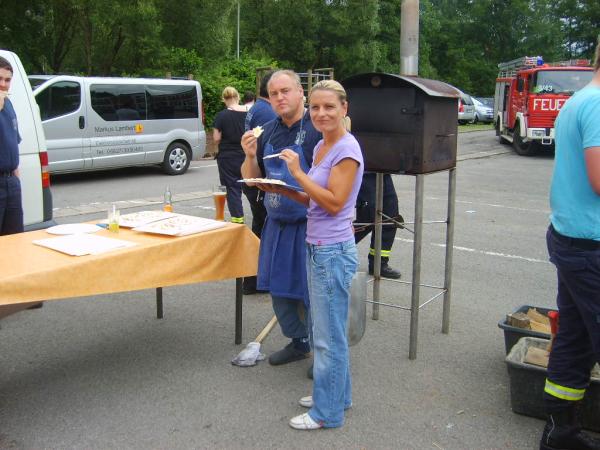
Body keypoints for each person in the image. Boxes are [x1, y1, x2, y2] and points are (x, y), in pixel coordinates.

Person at [270, 80, 363, 430]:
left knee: (327, 337)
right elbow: (314, 198)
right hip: (319, 246)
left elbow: (335, 202)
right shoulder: (324, 145)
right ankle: (338, 395)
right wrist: (282, 188)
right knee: (329, 332)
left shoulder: (347, 149)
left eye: (329, 107)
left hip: (332, 251)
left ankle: (327, 413)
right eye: (315, 107)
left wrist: (296, 172)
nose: (321, 113)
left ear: (344, 109)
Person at [540, 41, 600, 450]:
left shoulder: (580, 100)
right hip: (590, 245)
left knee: (574, 340)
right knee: (576, 339)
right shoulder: (596, 105)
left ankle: (560, 434)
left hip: (574, 240)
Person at [241, 70, 321, 366]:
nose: (279, 97)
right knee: (279, 289)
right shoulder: (267, 131)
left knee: (312, 293)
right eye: (274, 93)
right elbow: (251, 179)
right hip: (276, 223)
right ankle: (299, 342)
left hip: (309, 225)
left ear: (301, 92)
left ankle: (322, 351)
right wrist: (250, 156)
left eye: (285, 91)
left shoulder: (316, 129)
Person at [241, 71, 277, 295]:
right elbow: (264, 148)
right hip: (259, 178)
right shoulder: (267, 112)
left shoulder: (256, 108)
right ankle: (253, 280)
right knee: (263, 230)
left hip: (253, 176)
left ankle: (253, 279)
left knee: (259, 228)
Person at [354, 173, 402, 279]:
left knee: (390, 218)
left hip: (384, 172)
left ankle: (379, 264)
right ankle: (330, 248)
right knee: (368, 220)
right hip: (366, 173)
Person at [213, 86, 248, 224]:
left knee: (232, 188)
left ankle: (237, 220)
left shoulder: (222, 115)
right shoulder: (249, 113)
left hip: (227, 157)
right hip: (246, 155)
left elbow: (216, 138)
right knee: (251, 187)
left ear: (224, 99)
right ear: (238, 97)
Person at [0, 56, 23, 236]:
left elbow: (13, 141)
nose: (3, 84)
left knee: (15, 237)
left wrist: (15, 173)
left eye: (7, 80)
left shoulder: (8, 104)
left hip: (11, 182)